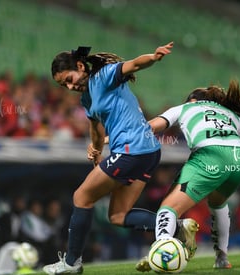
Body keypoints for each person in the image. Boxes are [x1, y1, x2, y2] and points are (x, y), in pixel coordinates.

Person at [42, 42, 183, 274]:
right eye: (63, 84)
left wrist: (154, 57)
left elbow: (135, 64)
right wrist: (96, 150)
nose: (69, 86)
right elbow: (96, 130)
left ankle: (71, 263)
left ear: (80, 65)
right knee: (118, 215)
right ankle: (175, 227)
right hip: (146, 151)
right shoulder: (87, 98)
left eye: (69, 78)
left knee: (81, 197)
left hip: (132, 150)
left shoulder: (105, 76)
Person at [136, 80, 240, 271]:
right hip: (239, 161)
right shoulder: (232, 115)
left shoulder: (187, 107)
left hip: (209, 156)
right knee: (218, 203)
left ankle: (161, 253)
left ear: (192, 100)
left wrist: (113, 138)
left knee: (168, 208)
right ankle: (222, 258)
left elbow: (149, 127)